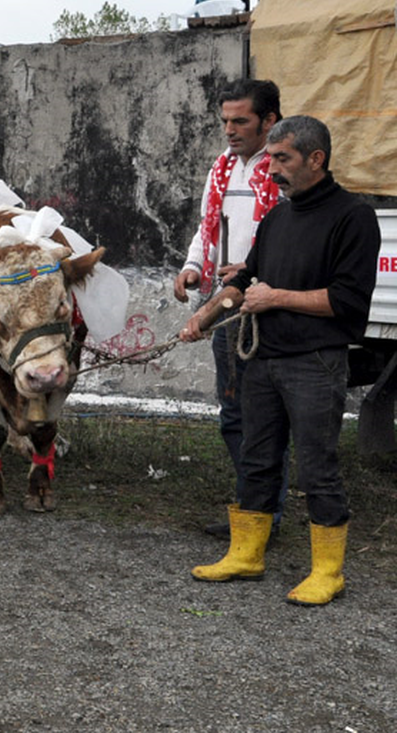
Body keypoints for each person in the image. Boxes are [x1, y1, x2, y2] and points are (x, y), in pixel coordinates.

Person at [180, 115, 381, 606]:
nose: (270, 169)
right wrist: (203, 318)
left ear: (317, 159)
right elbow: (246, 281)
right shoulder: (278, 217)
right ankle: (247, 554)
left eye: (282, 158)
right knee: (256, 458)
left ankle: (328, 572)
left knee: (317, 467)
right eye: (269, 158)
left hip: (315, 362)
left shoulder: (353, 217)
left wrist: (277, 299)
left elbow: (347, 302)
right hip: (264, 359)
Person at [173, 79, 289, 538]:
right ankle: (253, 509)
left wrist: (257, 267)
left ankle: (265, 515)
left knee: (265, 415)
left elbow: (293, 239)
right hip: (226, 306)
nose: (230, 130)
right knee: (234, 412)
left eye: (241, 120)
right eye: (225, 121)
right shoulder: (221, 168)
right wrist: (192, 266)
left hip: (269, 308)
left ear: (269, 121)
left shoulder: (283, 170)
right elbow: (207, 228)